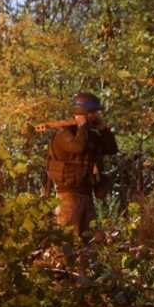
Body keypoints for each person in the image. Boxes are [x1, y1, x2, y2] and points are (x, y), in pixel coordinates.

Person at [45, 92, 118, 235]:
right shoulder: (64, 134)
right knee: (68, 239)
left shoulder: (89, 135)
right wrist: (83, 125)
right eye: (93, 113)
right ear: (83, 113)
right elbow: (78, 147)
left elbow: (111, 149)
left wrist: (103, 130)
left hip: (86, 194)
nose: (96, 116)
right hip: (68, 196)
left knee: (89, 239)